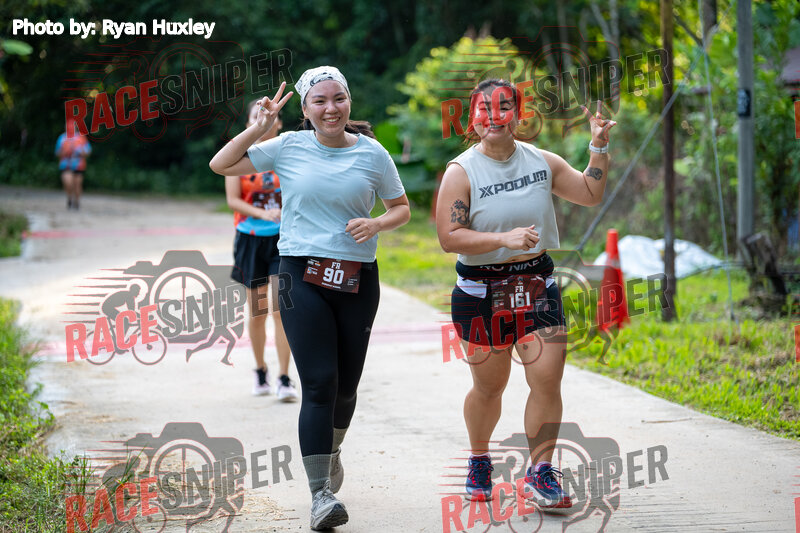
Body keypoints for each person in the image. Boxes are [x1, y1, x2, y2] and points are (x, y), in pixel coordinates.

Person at [209, 67, 410, 530]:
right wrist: (258, 128)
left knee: (346, 388)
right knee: (319, 382)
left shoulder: (373, 153)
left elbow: (400, 208)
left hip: (357, 277)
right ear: (305, 109)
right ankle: (320, 494)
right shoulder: (288, 146)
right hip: (300, 272)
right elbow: (222, 164)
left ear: (349, 101)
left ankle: (330, 451)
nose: (330, 108)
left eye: (338, 98)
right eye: (319, 101)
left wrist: (377, 223)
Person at [435, 79, 616, 507]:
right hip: (482, 291)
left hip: (536, 284)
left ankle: (540, 473)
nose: (493, 116)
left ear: (519, 114)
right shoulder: (461, 171)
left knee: (547, 378)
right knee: (490, 387)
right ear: (472, 118)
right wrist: (505, 239)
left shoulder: (542, 162)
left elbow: (589, 193)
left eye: (503, 107)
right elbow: (449, 237)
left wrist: (598, 146)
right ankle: (480, 458)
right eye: (484, 108)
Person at [226, 101, 298, 400]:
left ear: (278, 123)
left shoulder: (290, 154)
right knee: (258, 312)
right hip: (251, 241)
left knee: (282, 311)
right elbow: (233, 200)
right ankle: (260, 371)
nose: (265, 120)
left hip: (285, 242)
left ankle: (284, 378)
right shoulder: (238, 155)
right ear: (249, 124)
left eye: (271, 116)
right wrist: (263, 214)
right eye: (257, 116)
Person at [55, 127, 91, 210]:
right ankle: (70, 197)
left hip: (79, 165)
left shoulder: (81, 138)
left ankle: (77, 201)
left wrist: (81, 152)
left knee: (77, 184)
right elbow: (57, 152)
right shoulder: (62, 138)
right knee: (68, 182)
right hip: (66, 165)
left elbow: (88, 151)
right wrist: (65, 152)